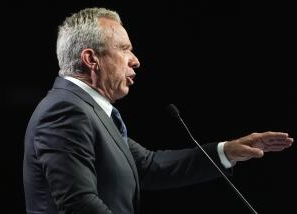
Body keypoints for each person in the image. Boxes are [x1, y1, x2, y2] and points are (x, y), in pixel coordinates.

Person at [23, 7, 294, 214]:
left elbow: (149, 167)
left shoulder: (87, 111)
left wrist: (228, 151)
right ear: (91, 59)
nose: (135, 61)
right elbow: (79, 204)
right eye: (124, 49)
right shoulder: (65, 112)